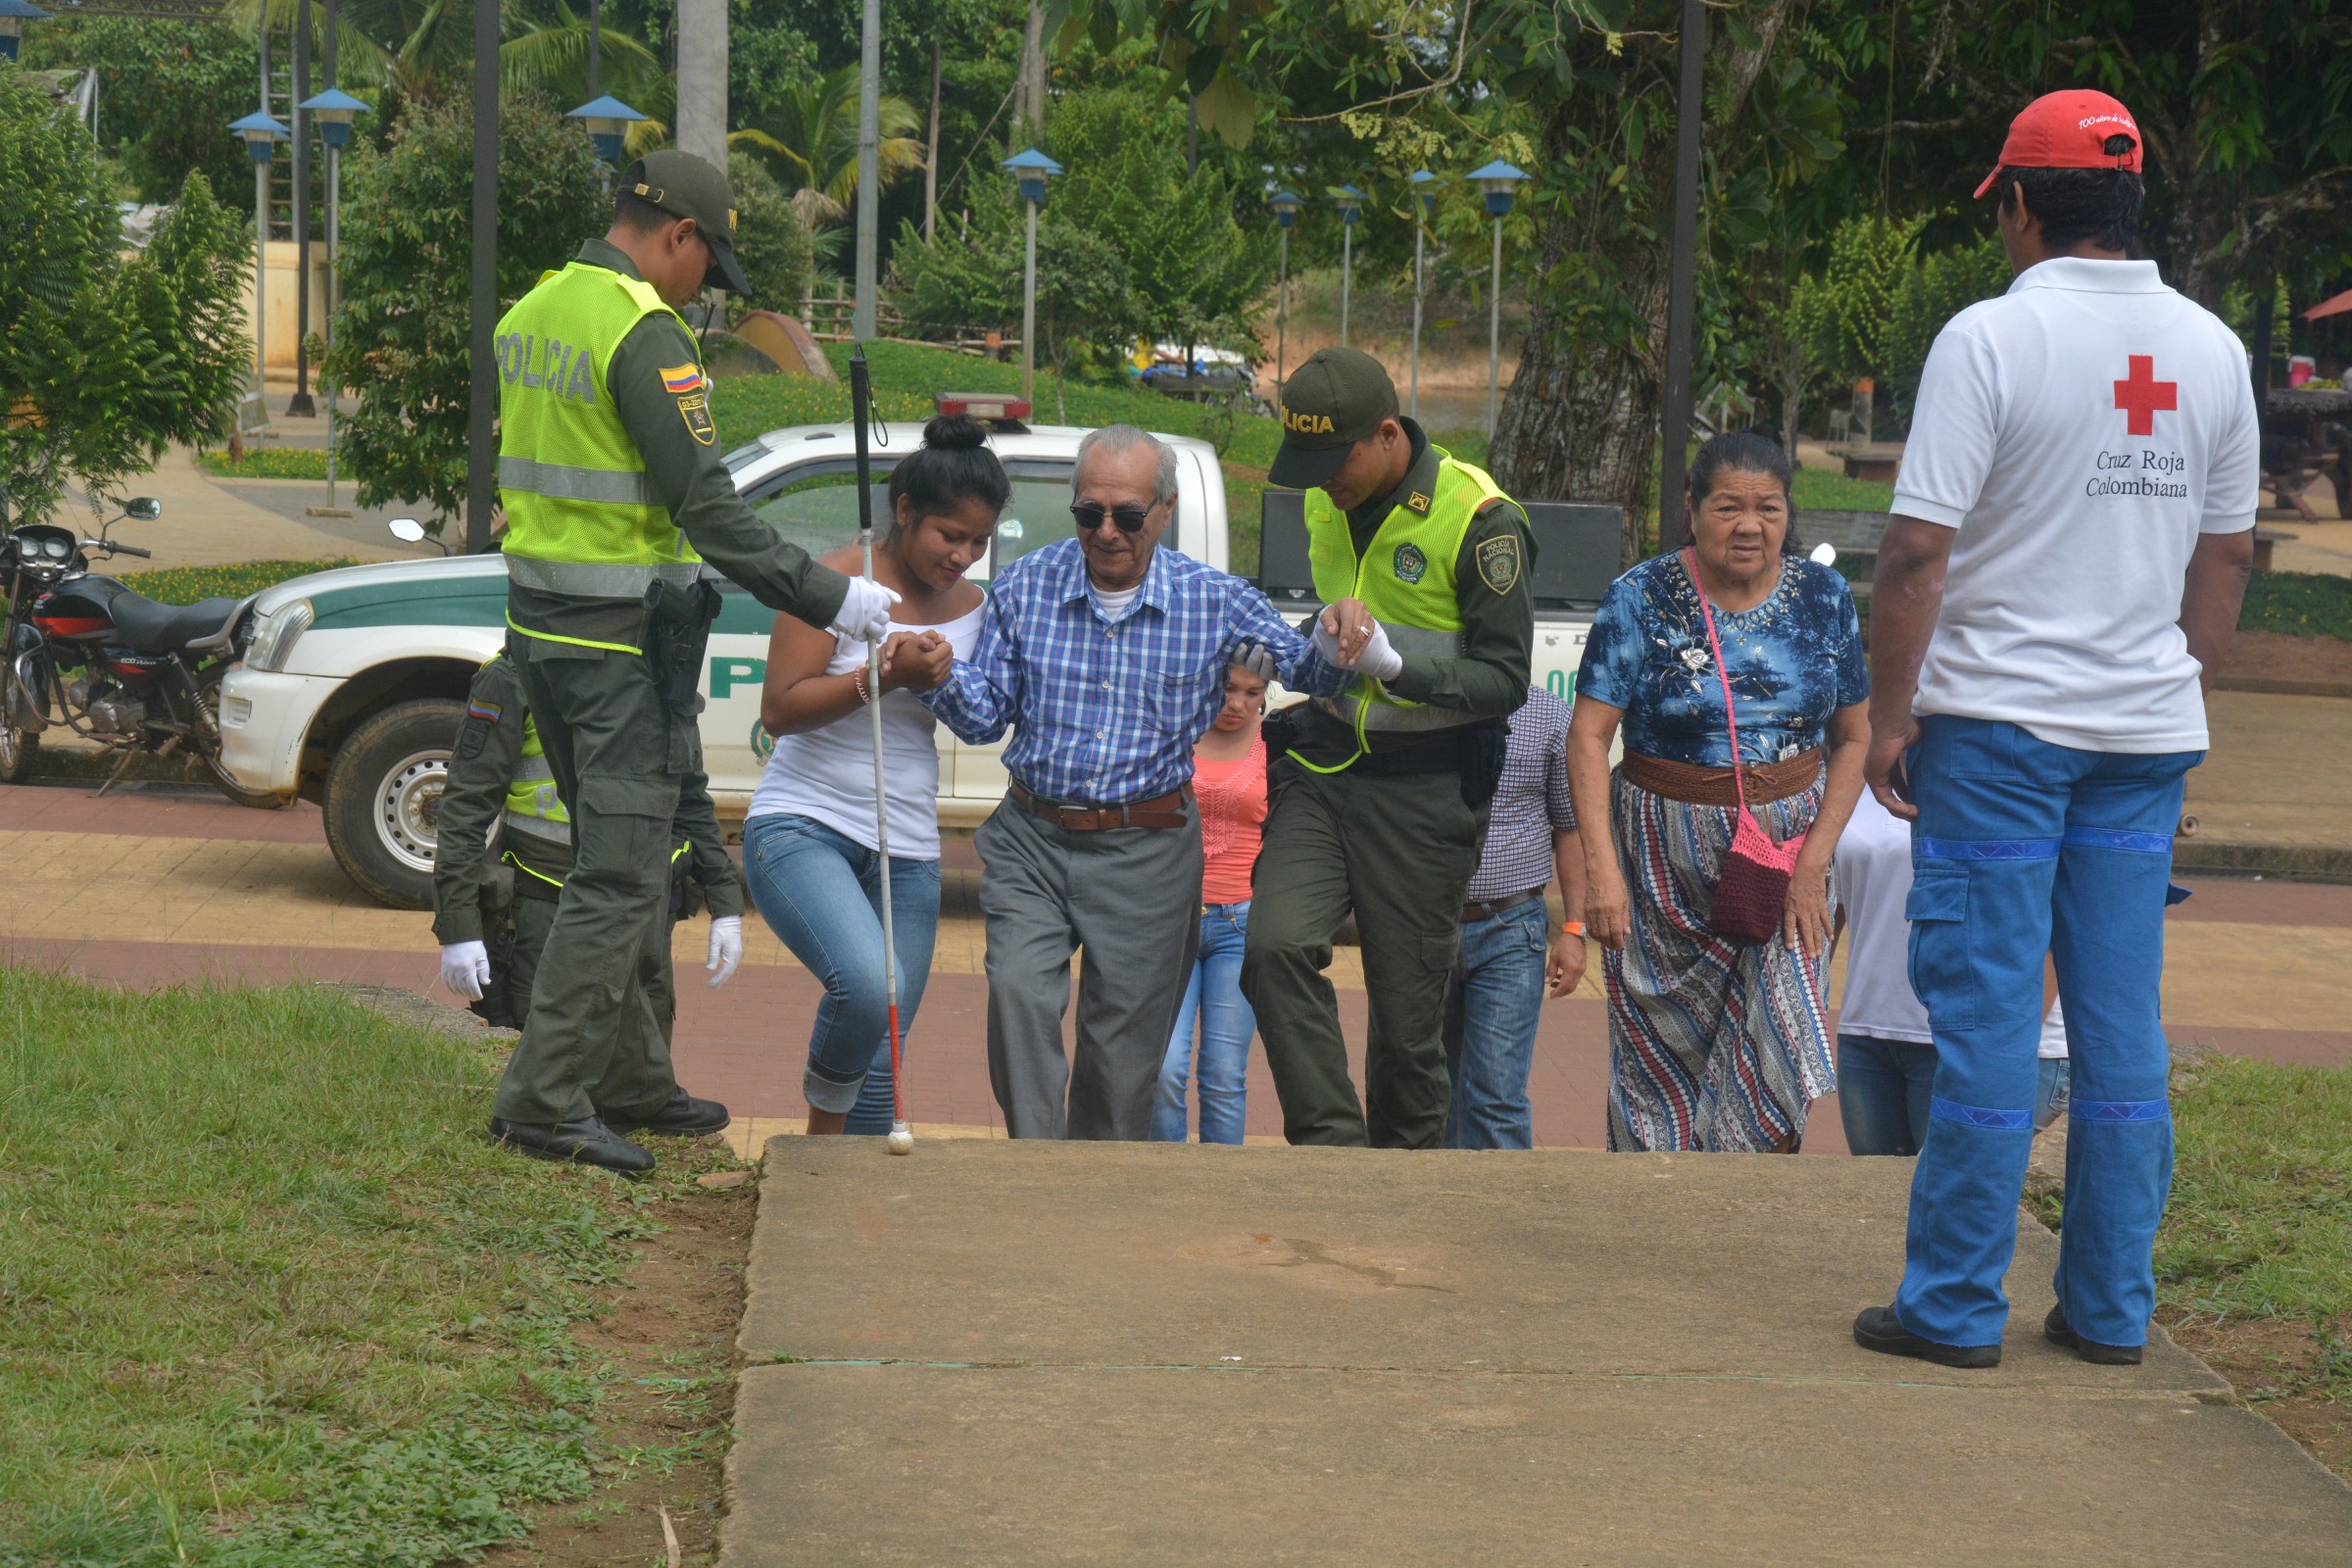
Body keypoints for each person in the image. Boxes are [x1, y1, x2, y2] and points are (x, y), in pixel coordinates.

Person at [1852, 90, 2257, 1370]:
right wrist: (2162, 682)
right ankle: (2109, 1308)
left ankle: (1957, 1305)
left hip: (1999, 738)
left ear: (2020, 205)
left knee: (1985, 1020)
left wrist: (1890, 723)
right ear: (2132, 205)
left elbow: (1918, 551)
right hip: (2142, 745)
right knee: (2121, 1022)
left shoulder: (1989, 339)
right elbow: (2230, 554)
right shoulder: (2211, 349)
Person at [488, 149, 897, 1174]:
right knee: (623, 878)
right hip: (616, 642)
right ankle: (543, 1101)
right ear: (679, 235)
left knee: (606, 858)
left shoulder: (535, 308)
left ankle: (628, 1080)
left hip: (544, 627)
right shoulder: (641, 329)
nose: (703, 288)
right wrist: (833, 593)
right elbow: (708, 509)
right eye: (707, 265)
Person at [920, 424, 1360, 1141]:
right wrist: (938, 675)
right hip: (1033, 837)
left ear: (1164, 510)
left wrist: (1337, 633)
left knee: (1123, 1063)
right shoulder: (1027, 584)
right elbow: (984, 716)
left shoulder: (1213, 599)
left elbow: (1304, 668)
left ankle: (1093, 1192)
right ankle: (1037, 1168)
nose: (1107, 531)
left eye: (1127, 515)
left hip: (1149, 851)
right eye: (1088, 513)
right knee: (1017, 996)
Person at [1242, 348, 1539, 1150]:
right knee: (1272, 947)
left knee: (1409, 1033)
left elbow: (1507, 680)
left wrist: (1398, 671)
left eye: (1333, 461)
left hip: (1425, 788)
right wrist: (1300, 642)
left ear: (1384, 435)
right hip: (1324, 766)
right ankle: (1335, 1149)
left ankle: (1404, 1191)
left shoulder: (1479, 519)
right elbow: (1339, 610)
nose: (1319, 482)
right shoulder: (1323, 500)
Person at [1567, 430, 1870, 1153]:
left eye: (1768, 508)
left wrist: (1813, 867)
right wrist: (1601, 873)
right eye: (1729, 506)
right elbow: (1586, 739)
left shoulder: (1823, 597)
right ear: (1693, 510)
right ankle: (1660, 1228)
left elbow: (1854, 739)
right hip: (1657, 862)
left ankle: (1743, 1225)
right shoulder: (1638, 597)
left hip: (1785, 860)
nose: (1749, 525)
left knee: (1774, 1046)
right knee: (1657, 1059)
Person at [742, 416, 994, 1135]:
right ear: (905, 512)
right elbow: (781, 709)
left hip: (908, 844)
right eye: (951, 536)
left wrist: (943, 680)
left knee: (885, 1055)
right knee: (866, 983)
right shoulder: (835, 580)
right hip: (802, 822)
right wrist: (881, 675)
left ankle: (850, 1200)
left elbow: (985, 713)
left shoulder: (978, 608)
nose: (964, 557)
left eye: (979, 542)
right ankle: (817, 1158)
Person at [432, 652, 744, 1049]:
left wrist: (726, 902)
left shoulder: (660, 664)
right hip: (547, 909)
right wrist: (458, 927)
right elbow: (465, 810)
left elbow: (688, 795)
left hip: (644, 913)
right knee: (543, 1067)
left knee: (642, 1071)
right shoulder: (517, 672)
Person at [1832, 788, 2070, 1155]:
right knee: (1880, 1200)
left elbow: (2049, 923)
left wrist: (2007, 1050)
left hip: (1982, 1041)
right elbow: (1832, 905)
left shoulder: (2002, 774)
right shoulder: (1855, 779)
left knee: (1954, 1200)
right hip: (1867, 1033)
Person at [1441, 683, 1587, 1150]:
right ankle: (1429, 1212)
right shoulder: (1427, 702)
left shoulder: (1548, 715)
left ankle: (1502, 1215)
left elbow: (1570, 828)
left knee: (1495, 1096)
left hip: (1510, 926)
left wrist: (1573, 931)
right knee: (1424, 1091)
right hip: (1425, 925)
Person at [1152, 661, 1270, 1146]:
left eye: (1251, 691)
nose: (1237, 703)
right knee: (1163, 1069)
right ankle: (1166, 1188)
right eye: (1227, 689)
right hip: (1172, 922)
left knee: (1223, 1076)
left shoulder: (1279, 743)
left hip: (1240, 925)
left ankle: (1222, 1197)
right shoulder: (1177, 731)